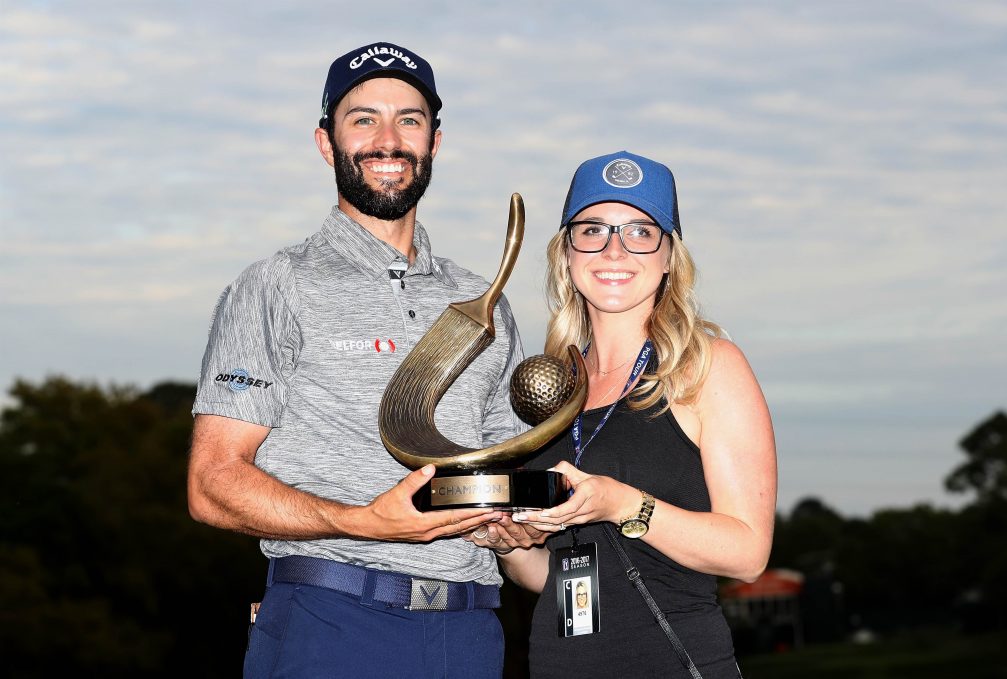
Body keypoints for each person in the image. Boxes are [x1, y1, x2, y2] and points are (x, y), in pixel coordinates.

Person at [186, 41, 527, 679]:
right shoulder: (273, 285)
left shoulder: (485, 303)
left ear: (435, 142)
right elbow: (211, 484)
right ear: (326, 142)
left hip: (472, 630)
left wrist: (514, 523)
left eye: (410, 119)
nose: (388, 139)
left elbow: (496, 477)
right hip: (331, 621)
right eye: (363, 118)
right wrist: (362, 523)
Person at [464, 151, 777, 678]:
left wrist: (621, 502)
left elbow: (747, 553)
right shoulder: (552, 387)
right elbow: (565, 579)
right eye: (593, 230)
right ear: (566, 253)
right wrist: (509, 546)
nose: (614, 250)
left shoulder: (707, 366)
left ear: (669, 256)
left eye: (639, 231)